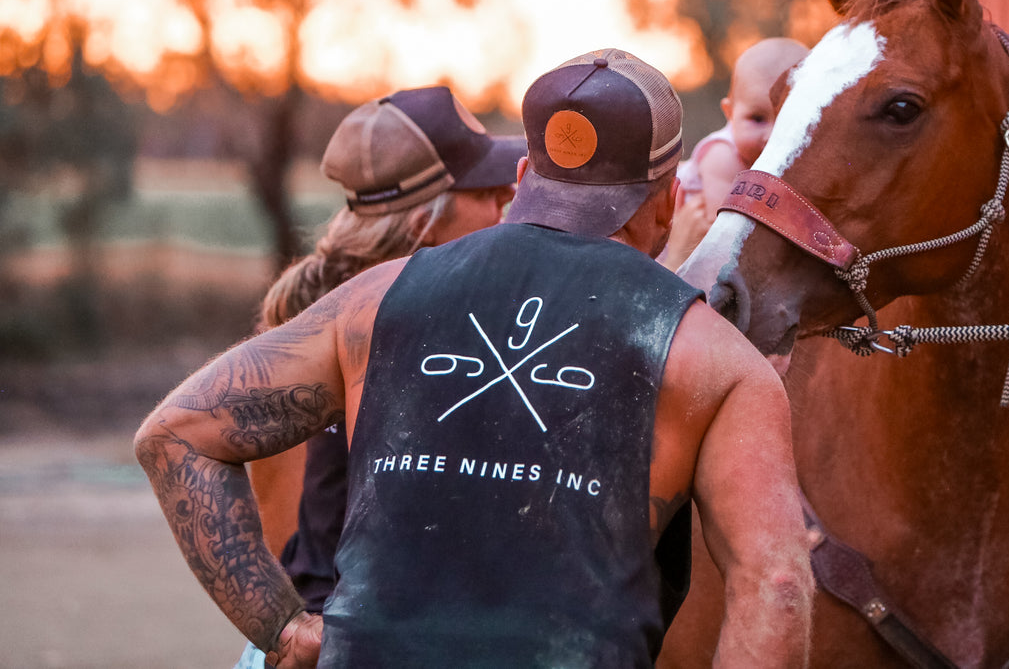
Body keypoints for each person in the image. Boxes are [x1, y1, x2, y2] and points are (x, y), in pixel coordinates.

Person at [135, 49, 813, 669]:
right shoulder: (716, 357)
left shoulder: (376, 298)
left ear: (521, 177)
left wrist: (284, 630)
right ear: (667, 201)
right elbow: (776, 583)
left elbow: (174, 434)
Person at [236, 85, 526, 668]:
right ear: (424, 223)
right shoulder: (425, 337)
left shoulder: (302, 323)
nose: (507, 205)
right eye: (487, 194)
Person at [661, 37, 807, 269]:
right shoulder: (723, 156)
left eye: (786, 120)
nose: (771, 135)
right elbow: (724, 229)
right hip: (677, 252)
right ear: (729, 112)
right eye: (757, 118)